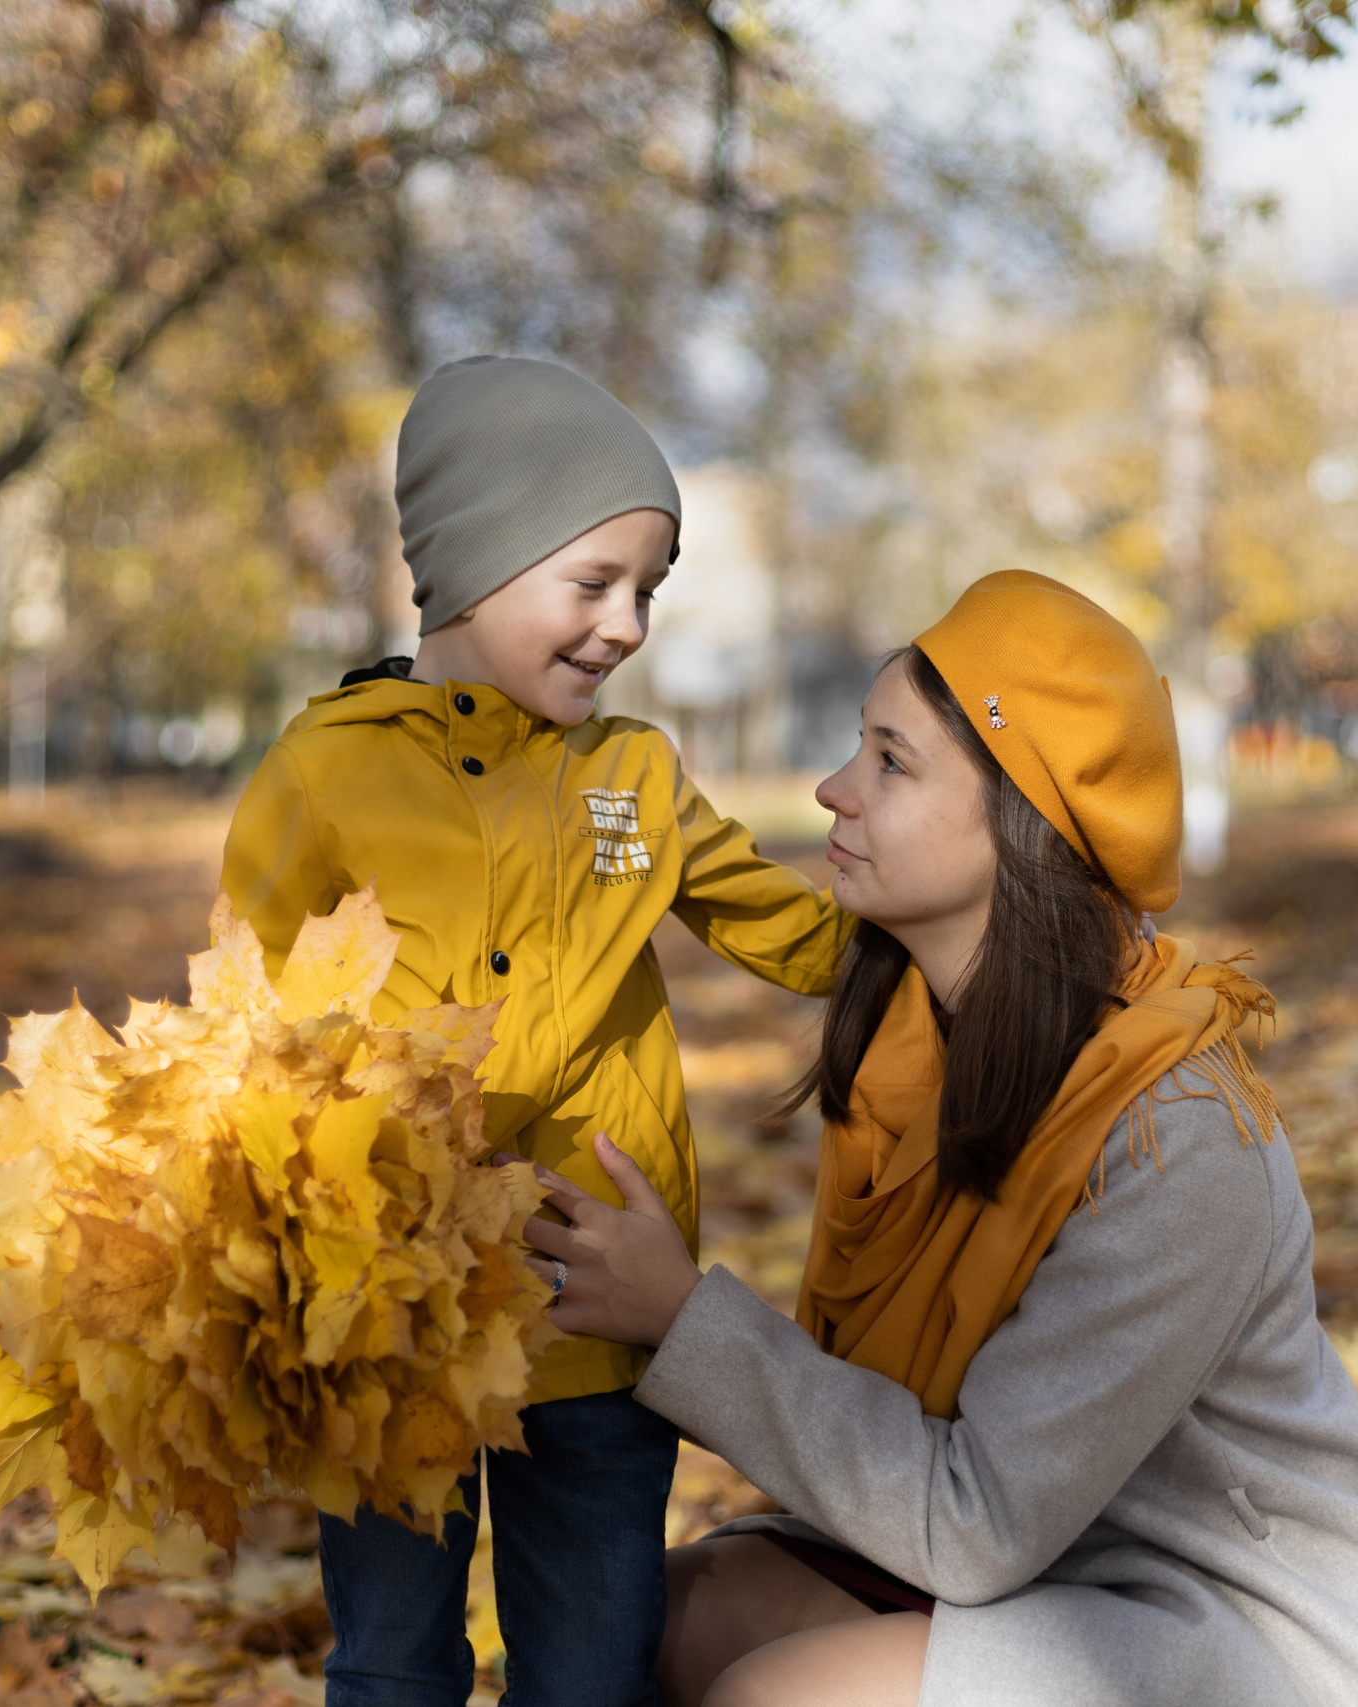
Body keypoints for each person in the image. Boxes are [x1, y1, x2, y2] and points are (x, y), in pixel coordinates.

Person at [522, 571, 1358, 1707]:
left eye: (889, 761)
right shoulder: (910, 1049)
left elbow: (974, 1523)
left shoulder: (1174, 1134)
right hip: (1055, 1571)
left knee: (775, 1699)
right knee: (650, 1627)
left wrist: (679, 1317)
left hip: (1261, 1632)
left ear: (1021, 816)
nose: (832, 790)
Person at [221, 356, 851, 1707]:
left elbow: (790, 930)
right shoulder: (327, 767)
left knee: (592, 1657)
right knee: (392, 1653)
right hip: (396, 1303)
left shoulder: (633, 774)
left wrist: (946, 933)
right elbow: (245, 1002)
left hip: (595, 1295)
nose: (626, 624)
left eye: (650, 592)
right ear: (471, 568)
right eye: (595, 581)